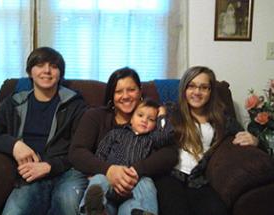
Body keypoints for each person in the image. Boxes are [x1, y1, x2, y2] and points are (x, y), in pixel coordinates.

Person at [0, 47, 88, 215]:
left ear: (60, 73)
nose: (47, 71)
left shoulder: (75, 104)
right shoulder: (14, 102)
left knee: (68, 202)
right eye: (40, 65)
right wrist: (14, 145)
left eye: (53, 66)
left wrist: (49, 166)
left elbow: (82, 148)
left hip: (67, 171)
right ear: (30, 72)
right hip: (30, 174)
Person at [69, 67, 177, 215]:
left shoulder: (150, 119)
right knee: (98, 186)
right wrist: (108, 170)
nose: (125, 96)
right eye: (119, 91)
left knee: (144, 189)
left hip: (136, 184)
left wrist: (135, 171)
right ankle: (94, 210)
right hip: (106, 181)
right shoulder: (95, 116)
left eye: (131, 90)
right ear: (111, 95)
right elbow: (77, 152)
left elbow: (170, 153)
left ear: (140, 91)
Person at [154, 66, 258, 215]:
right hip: (169, 176)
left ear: (210, 92)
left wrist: (255, 140)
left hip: (199, 179)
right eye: (192, 86)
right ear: (184, 89)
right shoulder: (171, 112)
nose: (197, 92)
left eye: (204, 87)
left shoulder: (221, 119)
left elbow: (242, 133)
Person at [80, 98, 173, 215]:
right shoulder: (116, 134)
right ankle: (93, 210)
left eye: (151, 119)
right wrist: (94, 173)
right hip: (112, 180)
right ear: (131, 119)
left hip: (136, 184)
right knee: (98, 179)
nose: (144, 120)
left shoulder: (152, 139)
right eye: (140, 115)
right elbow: (101, 153)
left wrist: (162, 116)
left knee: (147, 183)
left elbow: (165, 137)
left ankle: (144, 211)